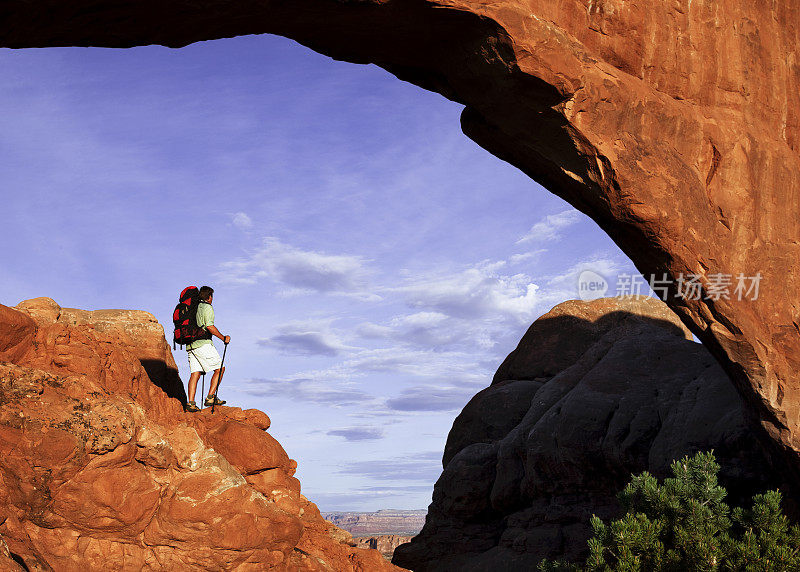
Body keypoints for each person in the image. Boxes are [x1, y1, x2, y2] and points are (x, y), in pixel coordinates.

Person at [185, 285, 231, 412]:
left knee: (196, 373)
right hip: (203, 344)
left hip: (190, 345)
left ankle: (191, 403)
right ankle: (211, 397)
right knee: (220, 369)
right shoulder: (207, 307)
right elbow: (210, 326)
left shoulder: (193, 308)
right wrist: (223, 338)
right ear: (210, 297)